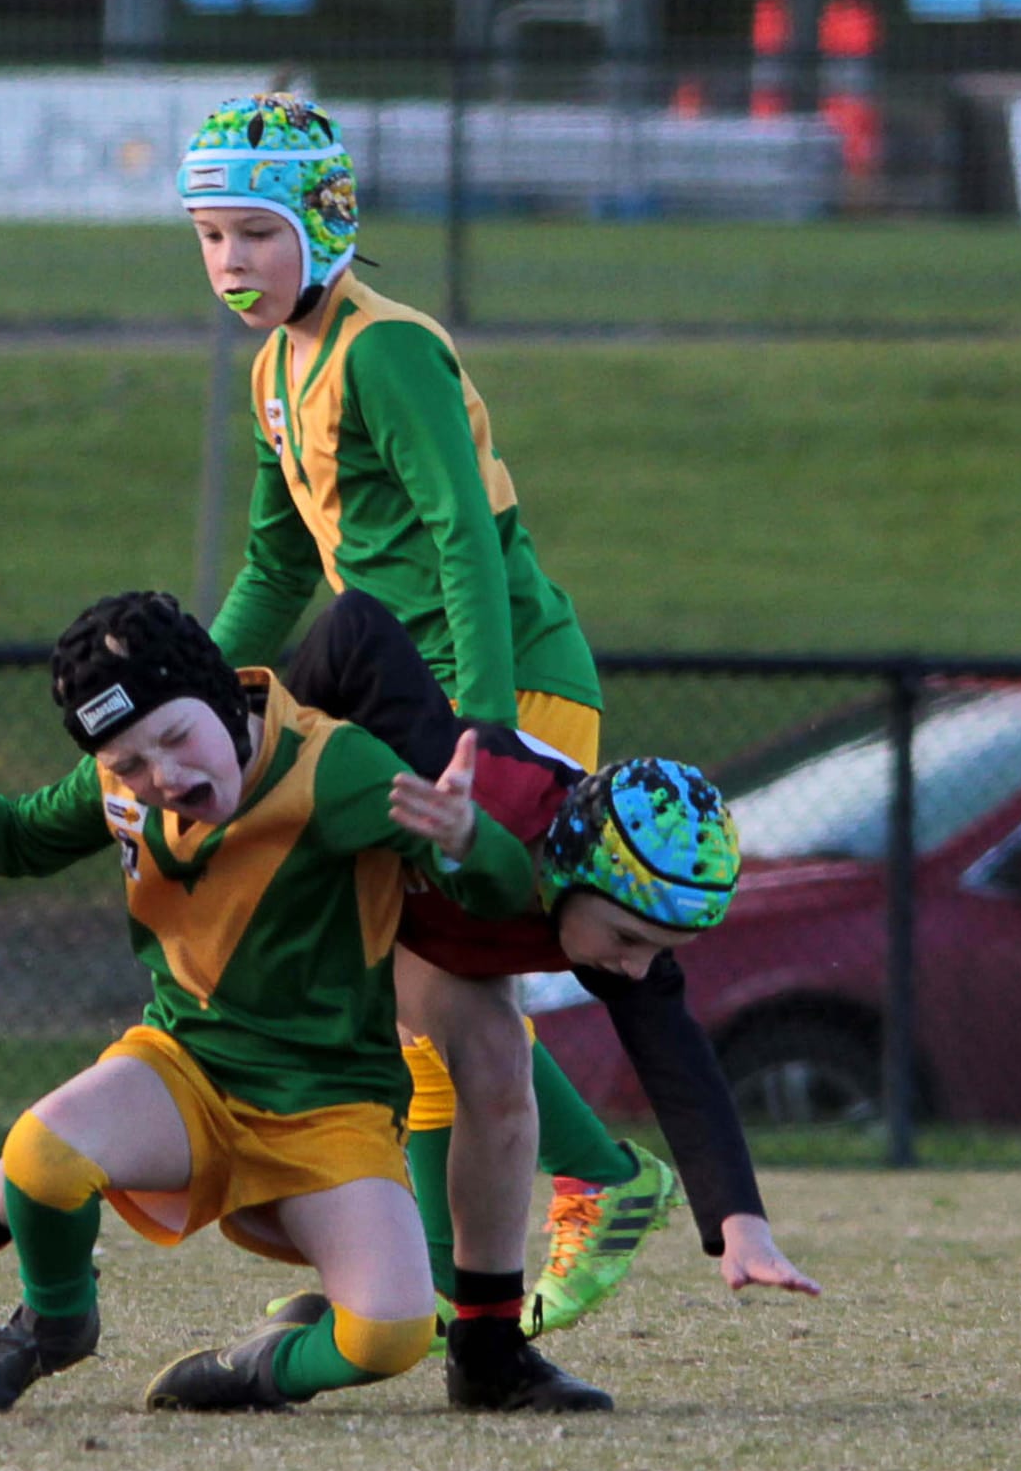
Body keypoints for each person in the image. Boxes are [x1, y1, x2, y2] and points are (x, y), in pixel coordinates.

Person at [0, 591, 611, 1416]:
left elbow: (496, 892)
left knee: (390, 1334)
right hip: (187, 1069)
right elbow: (26, 833)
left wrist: (465, 837)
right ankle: (53, 1325)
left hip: (331, 1109)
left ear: (221, 695)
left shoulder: (335, 769)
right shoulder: (121, 783)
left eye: (175, 739)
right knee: (38, 1156)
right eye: (129, 762)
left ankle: (250, 1372)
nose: (159, 776)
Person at [180, 90, 680, 1334]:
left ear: (324, 220)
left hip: (501, 683)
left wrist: (493, 726)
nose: (229, 262)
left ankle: (597, 1186)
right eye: (208, 236)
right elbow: (277, 570)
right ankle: (445, 1285)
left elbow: (462, 533)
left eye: (253, 232)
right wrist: (185, 693)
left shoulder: (384, 345)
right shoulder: (272, 371)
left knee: (437, 987)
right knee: (414, 997)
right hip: (409, 692)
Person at [283, 590, 818, 1307]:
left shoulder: (616, 922)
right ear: (570, 869)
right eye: (629, 939)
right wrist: (267, 761)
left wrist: (742, 1224)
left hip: (421, 927)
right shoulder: (464, 783)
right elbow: (355, 627)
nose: (633, 965)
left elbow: (681, 1065)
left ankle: (473, 1322)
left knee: (496, 1059)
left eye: (657, 949)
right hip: (338, 891)